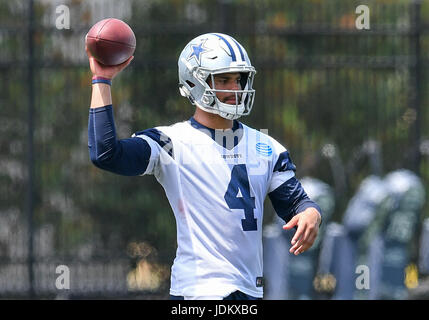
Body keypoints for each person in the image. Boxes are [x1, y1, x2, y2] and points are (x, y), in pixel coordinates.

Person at [86, 33, 322, 300]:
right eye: (223, 80)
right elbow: (106, 154)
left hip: (248, 292)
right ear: (194, 82)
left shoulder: (266, 147)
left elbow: (295, 202)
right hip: (198, 293)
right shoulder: (171, 142)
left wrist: (311, 213)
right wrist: (102, 80)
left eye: (239, 79)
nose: (235, 89)